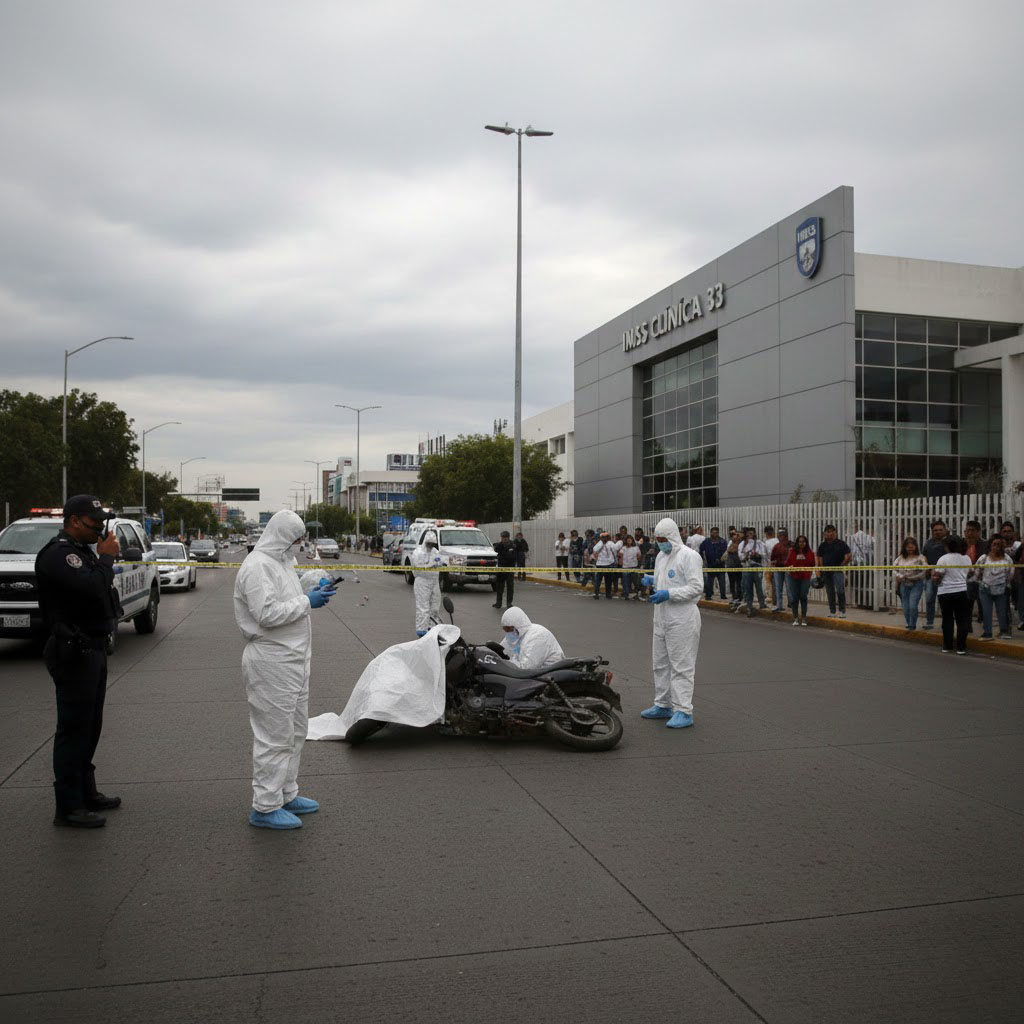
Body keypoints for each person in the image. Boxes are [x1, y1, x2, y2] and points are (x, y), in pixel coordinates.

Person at [233, 509, 336, 830]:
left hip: (292, 659)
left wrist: (313, 583)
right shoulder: (257, 566)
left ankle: (286, 792)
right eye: (295, 539)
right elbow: (267, 613)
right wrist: (307, 602)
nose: (298, 545)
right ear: (281, 536)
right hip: (271, 660)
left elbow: (290, 587)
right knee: (274, 736)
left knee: (295, 731)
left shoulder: (280, 560)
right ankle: (264, 806)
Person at [35, 495, 123, 829]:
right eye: (94, 523)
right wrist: (106, 559)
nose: (100, 529)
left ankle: (87, 792)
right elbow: (91, 589)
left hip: (93, 649)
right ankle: (68, 806)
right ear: (73, 520)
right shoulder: (60, 555)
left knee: (90, 726)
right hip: (74, 651)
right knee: (73, 729)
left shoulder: (81, 552)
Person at [639, 518, 704, 729]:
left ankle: (683, 710)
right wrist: (653, 580)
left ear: (672, 537)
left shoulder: (689, 556)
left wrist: (669, 593)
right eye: (657, 539)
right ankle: (663, 704)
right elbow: (665, 581)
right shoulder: (660, 556)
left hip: (682, 618)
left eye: (663, 539)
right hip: (661, 617)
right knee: (660, 664)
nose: (660, 543)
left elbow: (696, 588)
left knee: (681, 666)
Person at [933, 535, 972, 655]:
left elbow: (937, 578)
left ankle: (947, 645)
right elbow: (969, 574)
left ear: (947, 546)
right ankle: (961, 647)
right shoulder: (966, 558)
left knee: (947, 619)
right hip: (961, 591)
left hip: (945, 592)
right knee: (962, 620)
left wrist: (934, 577)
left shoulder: (943, 559)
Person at [972, 537, 1014, 639]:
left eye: (999, 544)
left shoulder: (1007, 559)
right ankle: (987, 633)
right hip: (985, 589)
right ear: (990, 546)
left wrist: (1005, 584)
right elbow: (976, 571)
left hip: (1001, 589)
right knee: (986, 611)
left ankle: (1003, 631)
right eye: (994, 544)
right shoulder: (983, 558)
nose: (996, 547)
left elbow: (1010, 573)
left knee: (1002, 611)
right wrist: (979, 581)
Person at [500, 607, 565, 670]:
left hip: (551, 674)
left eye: (509, 629)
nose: (508, 633)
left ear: (517, 625)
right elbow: (502, 648)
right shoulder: (517, 635)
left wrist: (505, 664)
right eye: (506, 630)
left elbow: (526, 669)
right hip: (537, 673)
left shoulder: (537, 636)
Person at [410, 529, 444, 636]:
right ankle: (422, 631)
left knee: (435, 607)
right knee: (423, 607)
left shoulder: (435, 552)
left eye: (432, 544)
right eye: (429, 543)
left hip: (434, 581)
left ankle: (432, 629)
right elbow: (418, 567)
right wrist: (430, 565)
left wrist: (439, 564)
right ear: (425, 541)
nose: (431, 545)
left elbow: (440, 562)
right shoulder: (418, 552)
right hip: (422, 582)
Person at [815, 524, 851, 618]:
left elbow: (848, 555)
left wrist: (842, 565)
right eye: (828, 532)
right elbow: (819, 558)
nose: (830, 533)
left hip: (837, 570)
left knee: (840, 590)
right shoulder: (822, 545)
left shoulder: (841, 543)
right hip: (826, 572)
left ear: (835, 533)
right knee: (830, 592)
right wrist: (821, 570)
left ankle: (842, 611)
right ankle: (832, 611)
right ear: (825, 534)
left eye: (832, 531)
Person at [893, 536, 928, 630]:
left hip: (916, 584)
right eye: (908, 547)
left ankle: (912, 624)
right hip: (903, 584)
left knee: (913, 605)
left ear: (916, 547)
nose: (910, 549)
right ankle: (909, 623)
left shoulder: (921, 558)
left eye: (912, 547)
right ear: (904, 547)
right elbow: (894, 569)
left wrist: (914, 577)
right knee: (905, 607)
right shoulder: (900, 558)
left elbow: (924, 571)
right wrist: (900, 577)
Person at [921, 520, 949, 630]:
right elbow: (924, 558)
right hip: (930, 577)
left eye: (940, 530)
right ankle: (929, 622)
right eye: (935, 530)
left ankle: (946, 623)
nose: (938, 532)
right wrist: (928, 569)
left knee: (945, 602)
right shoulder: (928, 543)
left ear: (945, 530)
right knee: (929, 599)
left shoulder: (950, 542)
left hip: (946, 577)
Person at [785, 535, 815, 626]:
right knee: (794, 598)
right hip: (793, 577)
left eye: (803, 541)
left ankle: (804, 618)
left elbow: (812, 564)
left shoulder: (810, 553)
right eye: (800, 542)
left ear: (806, 543)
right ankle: (795, 618)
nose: (802, 543)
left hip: (805, 577)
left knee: (803, 596)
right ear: (797, 543)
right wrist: (790, 567)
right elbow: (787, 563)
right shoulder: (792, 551)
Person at [737, 527, 767, 617]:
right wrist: (746, 555)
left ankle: (762, 604)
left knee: (759, 587)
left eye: (752, 533)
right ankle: (749, 607)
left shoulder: (759, 543)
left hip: (757, 567)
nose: (750, 535)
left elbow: (764, 554)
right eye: (748, 533)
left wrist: (757, 554)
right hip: (747, 568)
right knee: (748, 588)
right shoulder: (742, 544)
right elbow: (740, 557)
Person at [700, 527, 728, 600]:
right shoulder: (707, 541)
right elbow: (701, 550)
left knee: (722, 581)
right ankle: (708, 595)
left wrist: (722, 559)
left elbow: (726, 552)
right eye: (713, 532)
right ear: (710, 533)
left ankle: (723, 596)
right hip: (710, 565)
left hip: (720, 565)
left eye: (716, 532)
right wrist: (703, 560)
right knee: (710, 582)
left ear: (718, 533)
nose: (714, 534)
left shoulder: (722, 541)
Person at [591, 530, 619, 599]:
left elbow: (615, 549)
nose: (604, 538)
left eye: (606, 537)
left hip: (609, 564)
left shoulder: (610, 543)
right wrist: (602, 543)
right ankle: (596, 593)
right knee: (598, 580)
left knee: (608, 580)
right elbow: (595, 549)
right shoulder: (599, 543)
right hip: (600, 564)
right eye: (603, 537)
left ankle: (608, 594)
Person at [769, 528, 791, 612]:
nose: (781, 537)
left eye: (783, 535)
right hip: (778, 568)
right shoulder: (776, 546)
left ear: (786, 536)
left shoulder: (791, 545)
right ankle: (779, 605)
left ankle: (791, 604)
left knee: (789, 587)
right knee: (778, 588)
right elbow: (772, 558)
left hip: (788, 568)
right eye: (780, 536)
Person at [493, 530, 517, 608]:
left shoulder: (512, 545)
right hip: (501, 569)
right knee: (500, 586)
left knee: (510, 586)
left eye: (505, 537)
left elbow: (513, 557)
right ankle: (498, 603)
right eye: (503, 537)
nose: (504, 539)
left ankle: (509, 603)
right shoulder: (499, 545)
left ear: (508, 538)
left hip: (509, 569)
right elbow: (496, 551)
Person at [618, 533, 641, 600]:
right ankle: (626, 594)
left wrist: (637, 560)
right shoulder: (623, 548)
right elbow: (620, 555)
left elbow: (639, 556)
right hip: (625, 567)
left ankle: (636, 594)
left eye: (630, 540)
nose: (629, 541)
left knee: (636, 582)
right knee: (626, 582)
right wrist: (621, 561)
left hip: (634, 567)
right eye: (628, 540)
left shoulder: (636, 548)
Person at [725, 529, 742, 607]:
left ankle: (739, 597)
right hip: (730, 566)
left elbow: (733, 550)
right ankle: (734, 597)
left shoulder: (741, 544)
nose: (734, 536)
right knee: (732, 583)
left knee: (738, 583)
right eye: (732, 535)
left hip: (737, 566)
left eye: (736, 535)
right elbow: (729, 550)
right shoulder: (730, 543)